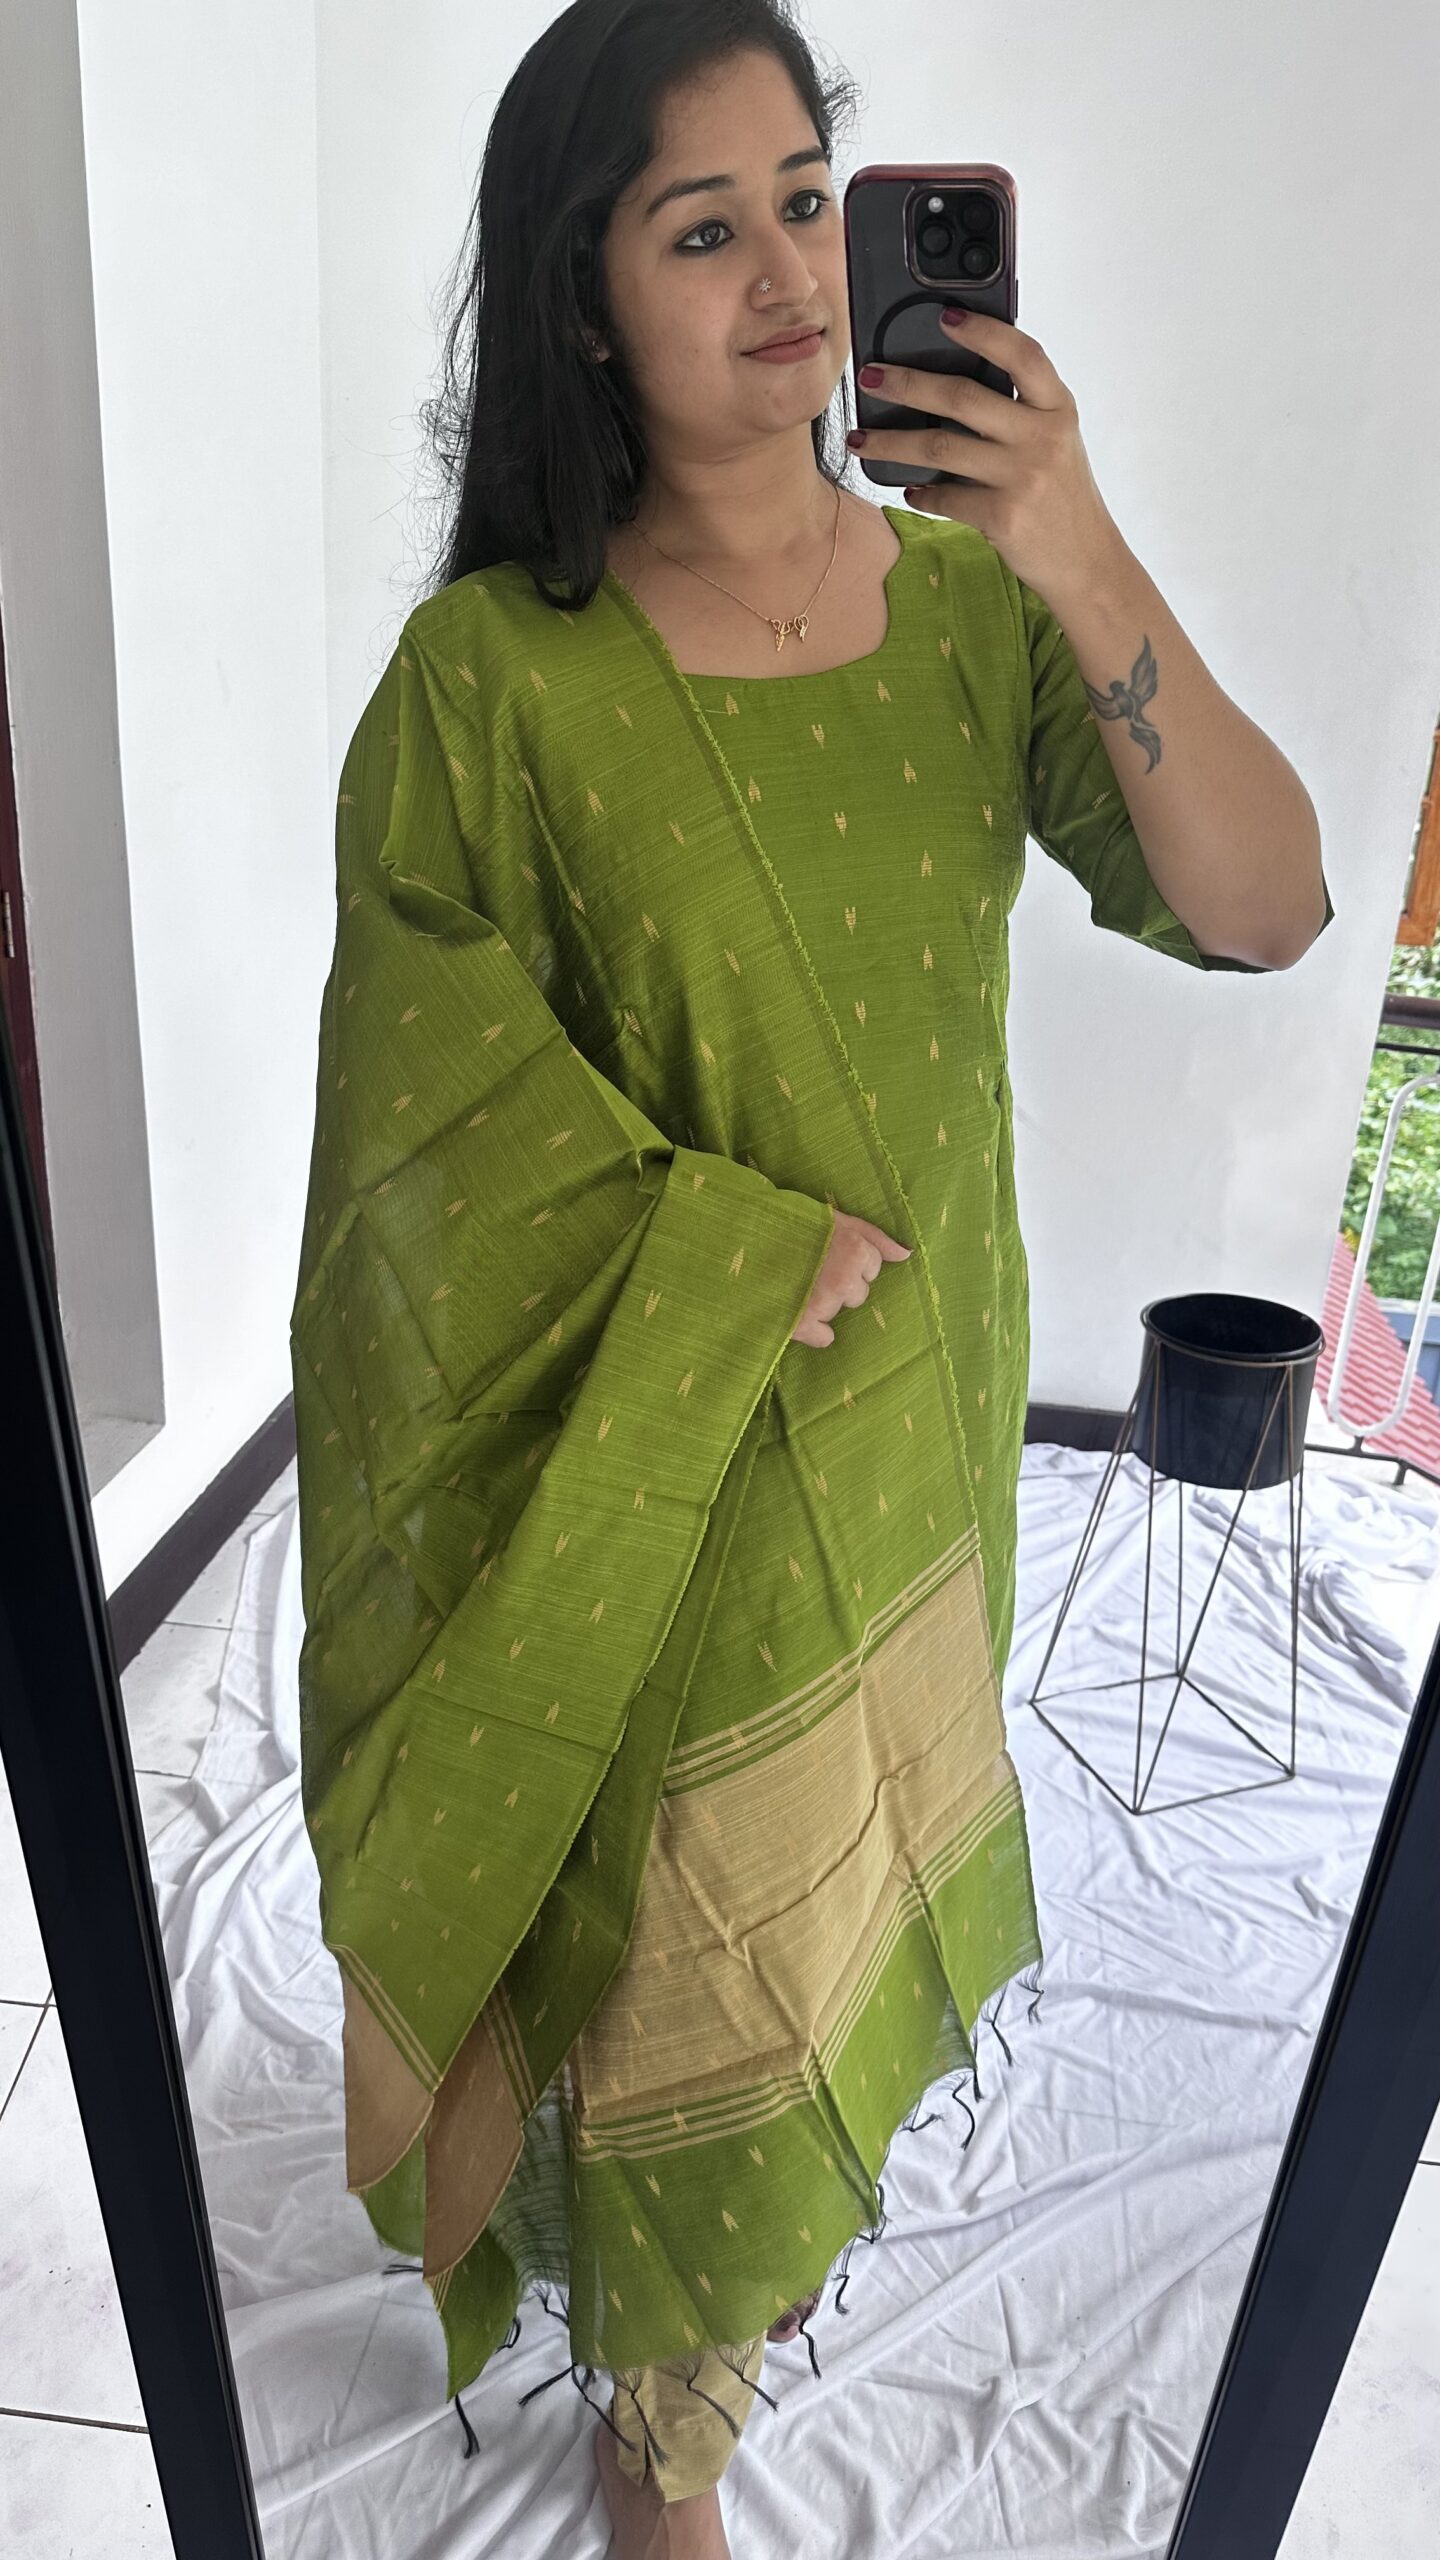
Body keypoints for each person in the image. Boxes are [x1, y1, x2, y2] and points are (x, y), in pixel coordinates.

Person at [288, 5, 1331, 2554]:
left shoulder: (977, 612)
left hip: (915, 1423)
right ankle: (669, 2428)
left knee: (840, 1895)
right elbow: (421, 1127)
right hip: (663, 1457)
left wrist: (1080, 545)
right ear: (580, 297)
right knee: (688, 1952)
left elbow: (1271, 903)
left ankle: (724, 2332)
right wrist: (716, 1245)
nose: (785, 271)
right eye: (700, 225)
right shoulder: (492, 680)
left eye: (804, 196)